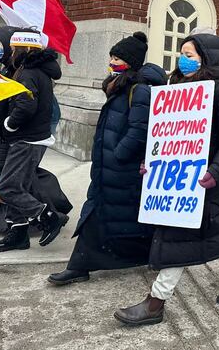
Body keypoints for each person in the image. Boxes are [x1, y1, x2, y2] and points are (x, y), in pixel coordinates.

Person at [114, 33, 219, 326]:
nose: (183, 59)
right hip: (177, 176)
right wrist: (152, 162)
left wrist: (215, 172)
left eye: (190, 55)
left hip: (205, 179)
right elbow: (164, 134)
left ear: (208, 58)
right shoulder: (175, 88)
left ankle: (156, 301)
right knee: (217, 230)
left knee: (178, 236)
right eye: (182, 53)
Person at [48, 32, 166, 285]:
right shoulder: (119, 85)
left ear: (131, 62)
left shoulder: (140, 90)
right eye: (111, 56)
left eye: (117, 58)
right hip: (109, 167)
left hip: (123, 168)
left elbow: (139, 129)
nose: (112, 62)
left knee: (112, 214)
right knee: (111, 214)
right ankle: (83, 264)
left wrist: (119, 153)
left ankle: (81, 265)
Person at [0, 26, 70, 233]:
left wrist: (10, 124)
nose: (2, 51)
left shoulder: (27, 73)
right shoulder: (19, 69)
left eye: (3, 47)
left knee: (10, 185)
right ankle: (16, 230)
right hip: (16, 137)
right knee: (7, 181)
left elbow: (28, 107)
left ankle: (47, 216)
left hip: (22, 138)